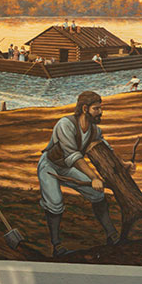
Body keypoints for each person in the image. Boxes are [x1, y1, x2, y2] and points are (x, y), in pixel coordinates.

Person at [37, 89, 130, 257]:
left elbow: (106, 148)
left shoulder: (94, 130)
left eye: (101, 108)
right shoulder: (65, 124)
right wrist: (94, 177)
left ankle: (112, 235)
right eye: (97, 108)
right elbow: (73, 156)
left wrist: (123, 163)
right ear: (85, 108)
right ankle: (57, 247)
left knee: (97, 195)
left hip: (67, 167)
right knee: (55, 203)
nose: (100, 112)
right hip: (50, 167)